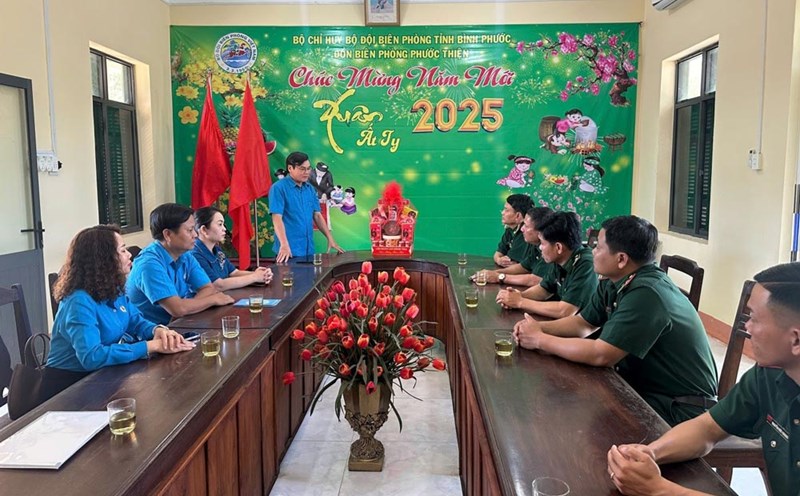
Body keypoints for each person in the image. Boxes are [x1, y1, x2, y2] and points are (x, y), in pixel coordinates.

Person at [607, 262, 800, 496]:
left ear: (796, 340)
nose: (747, 327)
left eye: (755, 319)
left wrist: (658, 489)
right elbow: (708, 427)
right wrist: (651, 452)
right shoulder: (768, 375)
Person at [514, 216, 718, 426]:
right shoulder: (614, 280)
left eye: (598, 247)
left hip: (678, 409)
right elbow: (582, 324)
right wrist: (538, 328)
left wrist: (540, 340)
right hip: (641, 388)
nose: (592, 251)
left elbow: (602, 354)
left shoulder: (647, 293)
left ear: (621, 259)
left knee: (571, 419)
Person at [42, 225, 194, 403]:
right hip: (69, 388)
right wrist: (150, 346)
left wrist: (157, 330)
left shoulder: (112, 288)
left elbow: (134, 320)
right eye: (122, 250)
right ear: (103, 259)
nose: (129, 254)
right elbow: (91, 357)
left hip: (101, 377)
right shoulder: (79, 301)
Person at [126, 203, 234, 325]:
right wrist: (213, 300)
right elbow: (177, 309)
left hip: (179, 326)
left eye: (194, 229)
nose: (195, 234)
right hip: (150, 337)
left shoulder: (185, 254)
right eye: (189, 230)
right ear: (168, 235)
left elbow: (207, 288)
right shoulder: (149, 264)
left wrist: (187, 309)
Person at [496, 210, 596, 318]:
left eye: (543, 243)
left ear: (558, 247)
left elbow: (565, 311)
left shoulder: (586, 264)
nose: (540, 247)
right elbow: (543, 290)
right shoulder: (560, 258)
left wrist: (521, 302)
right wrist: (517, 296)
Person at [269, 151, 344, 263]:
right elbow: (277, 218)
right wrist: (284, 245)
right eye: (302, 169)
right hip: (288, 253)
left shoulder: (310, 189)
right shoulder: (278, 188)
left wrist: (330, 238)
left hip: (309, 252)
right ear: (290, 168)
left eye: (308, 169)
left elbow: (317, 215)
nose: (306, 172)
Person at [192, 206, 273, 290]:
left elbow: (234, 272)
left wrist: (260, 274)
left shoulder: (217, 250)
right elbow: (218, 285)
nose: (224, 229)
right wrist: (254, 277)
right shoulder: (195, 255)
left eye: (223, 224)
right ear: (204, 230)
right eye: (220, 224)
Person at [481, 206, 553, 287]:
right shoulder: (536, 246)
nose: (522, 229)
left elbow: (535, 280)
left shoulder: (550, 250)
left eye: (526, 226)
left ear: (540, 231)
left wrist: (499, 277)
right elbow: (523, 266)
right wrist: (493, 273)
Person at [493, 194, 533, 267]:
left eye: (506, 210)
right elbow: (498, 253)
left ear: (518, 216)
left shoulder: (525, 233)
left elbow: (511, 262)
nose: (502, 213)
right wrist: (498, 260)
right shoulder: (510, 230)